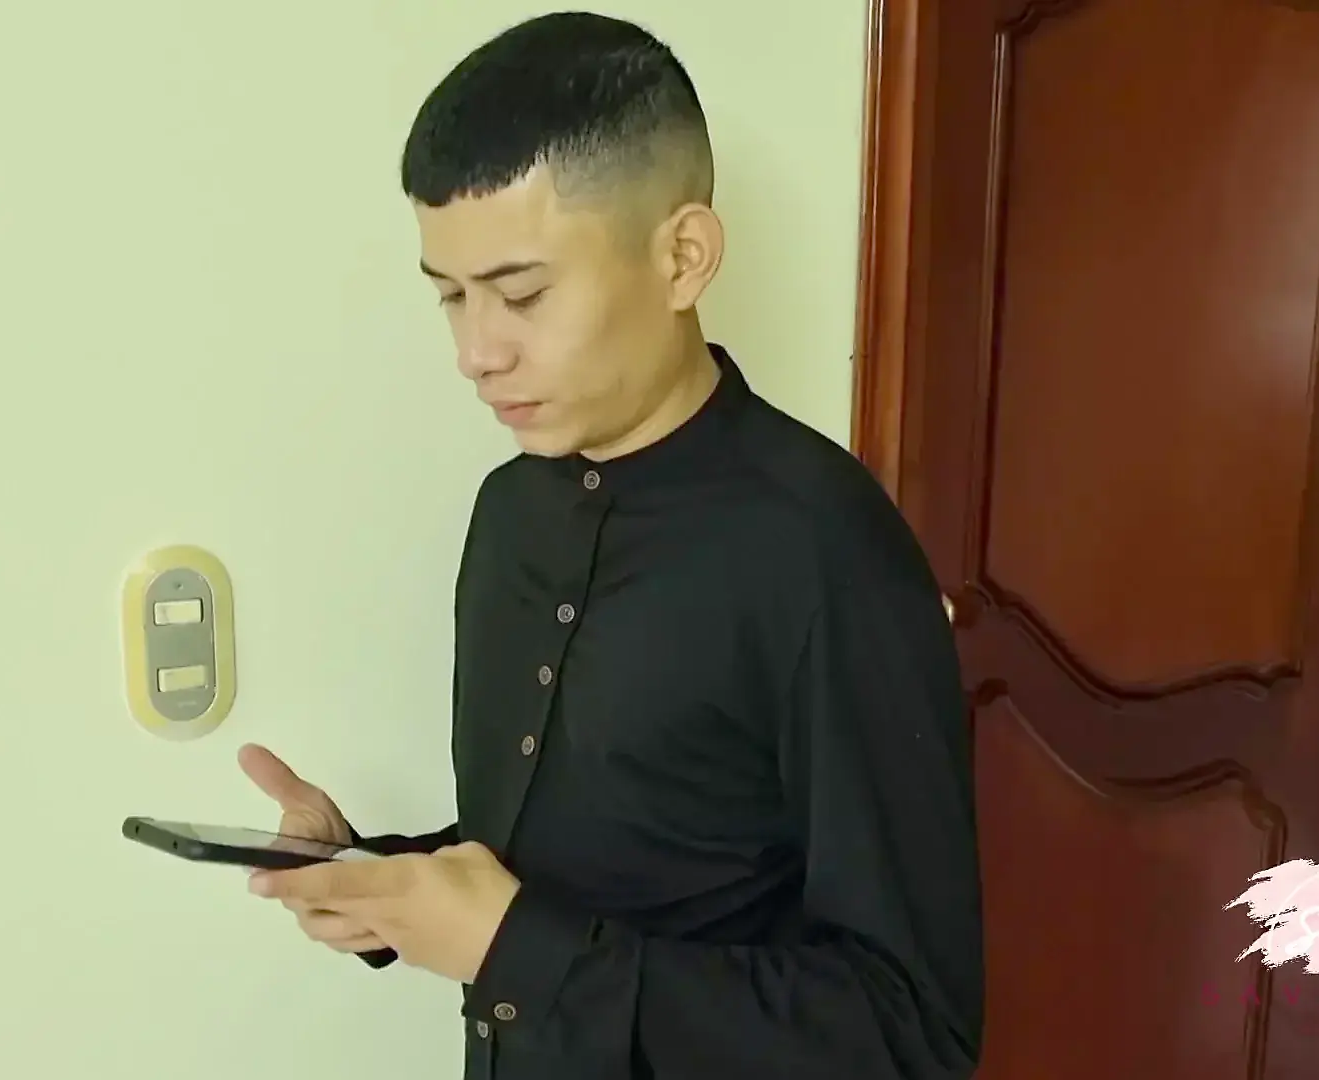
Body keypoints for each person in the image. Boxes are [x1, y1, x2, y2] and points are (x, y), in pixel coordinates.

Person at [238, 11, 983, 1078]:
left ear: (683, 257)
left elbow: (912, 1031)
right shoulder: (507, 514)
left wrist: (517, 952)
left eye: (521, 294)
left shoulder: (828, 553)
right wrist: (374, 878)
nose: (476, 352)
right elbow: (574, 864)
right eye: (449, 296)